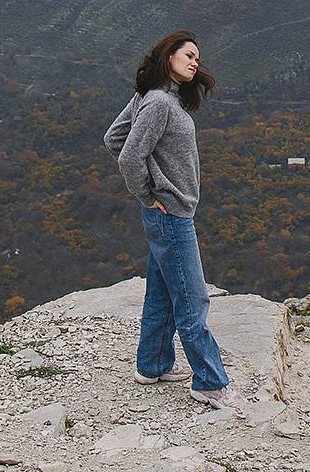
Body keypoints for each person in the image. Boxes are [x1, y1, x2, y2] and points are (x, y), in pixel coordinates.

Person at [103, 30, 241, 411]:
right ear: (169, 57)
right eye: (189, 55)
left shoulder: (153, 99)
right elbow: (127, 155)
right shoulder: (160, 103)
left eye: (199, 57)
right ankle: (211, 382)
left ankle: (153, 365)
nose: (196, 62)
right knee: (193, 299)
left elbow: (113, 138)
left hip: (169, 212)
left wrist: (153, 186)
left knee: (162, 292)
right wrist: (150, 194)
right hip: (172, 214)